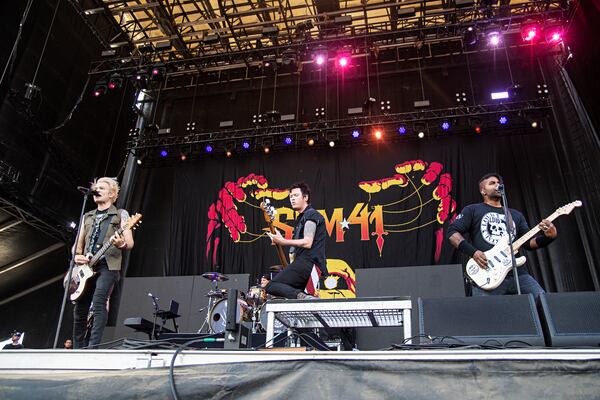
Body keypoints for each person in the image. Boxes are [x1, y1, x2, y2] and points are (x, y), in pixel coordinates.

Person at [447, 173, 557, 297]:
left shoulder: (515, 215)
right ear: (483, 191)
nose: (497, 185)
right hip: (487, 271)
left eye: (498, 183)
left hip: (516, 272)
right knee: (486, 313)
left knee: (542, 301)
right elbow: (452, 233)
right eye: (492, 183)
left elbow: (528, 243)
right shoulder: (472, 210)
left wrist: (548, 237)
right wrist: (474, 252)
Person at [72, 177, 134, 349]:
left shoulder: (121, 214)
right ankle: (77, 349)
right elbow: (77, 246)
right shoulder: (87, 216)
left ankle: (92, 348)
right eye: (95, 187)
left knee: (99, 302)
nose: (96, 190)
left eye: (101, 187)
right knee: (80, 308)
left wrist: (120, 243)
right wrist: (77, 256)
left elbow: (129, 243)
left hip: (108, 265)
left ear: (112, 193)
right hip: (86, 267)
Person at [261, 182, 327, 299]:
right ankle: (305, 298)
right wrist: (278, 239)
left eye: (296, 195)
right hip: (306, 263)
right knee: (290, 293)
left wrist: (283, 241)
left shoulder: (311, 214)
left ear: (305, 197)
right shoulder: (301, 219)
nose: (292, 199)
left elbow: (307, 242)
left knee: (271, 285)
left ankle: (305, 298)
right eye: (291, 196)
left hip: (309, 262)